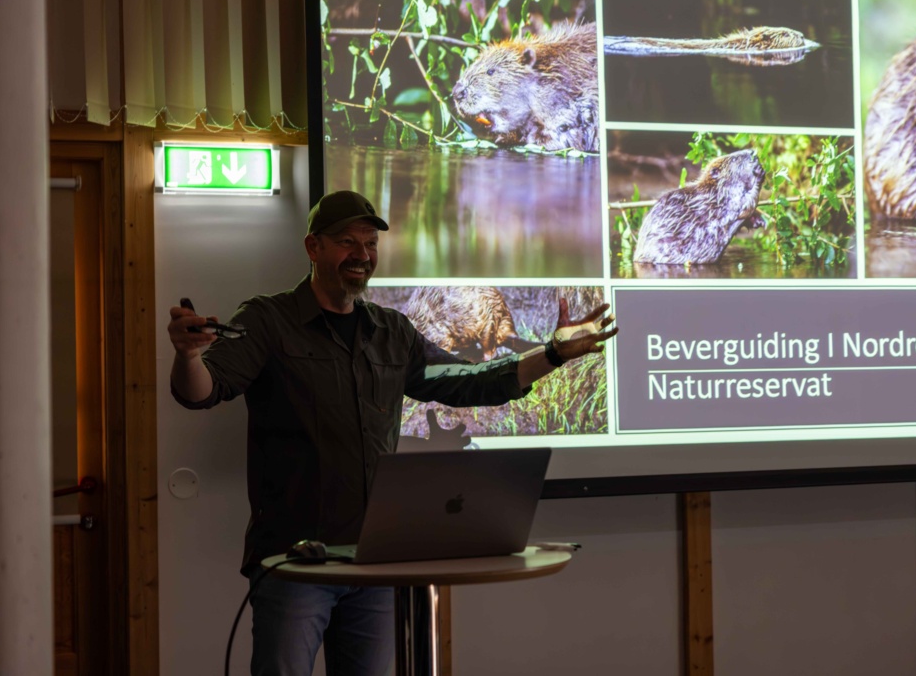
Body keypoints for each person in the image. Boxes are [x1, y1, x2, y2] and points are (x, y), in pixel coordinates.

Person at [167, 189, 618, 676]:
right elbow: (204, 391)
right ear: (313, 247)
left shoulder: (392, 331)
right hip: (295, 561)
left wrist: (551, 353)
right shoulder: (268, 319)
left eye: (370, 244)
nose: (361, 255)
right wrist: (189, 357)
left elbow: (468, 381)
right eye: (347, 241)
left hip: (376, 561)